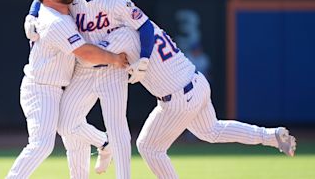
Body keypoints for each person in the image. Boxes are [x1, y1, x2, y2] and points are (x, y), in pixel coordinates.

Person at [94, 24, 297, 178]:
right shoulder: (147, 25)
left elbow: (89, 56)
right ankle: (272, 136)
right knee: (212, 131)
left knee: (148, 147)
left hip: (178, 98)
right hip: (197, 81)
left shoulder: (122, 34)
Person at [24, 0, 156, 179]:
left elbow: (145, 25)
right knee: (66, 125)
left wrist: (144, 57)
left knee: (117, 128)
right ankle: (103, 144)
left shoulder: (115, 0)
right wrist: (31, 15)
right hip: (83, 70)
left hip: (112, 70)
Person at [6, 0, 128, 179]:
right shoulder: (54, 22)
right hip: (41, 89)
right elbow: (85, 52)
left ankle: (104, 143)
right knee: (41, 145)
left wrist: (32, 12)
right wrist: (115, 59)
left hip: (62, 84)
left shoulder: (61, 2)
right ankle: (104, 142)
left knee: (75, 140)